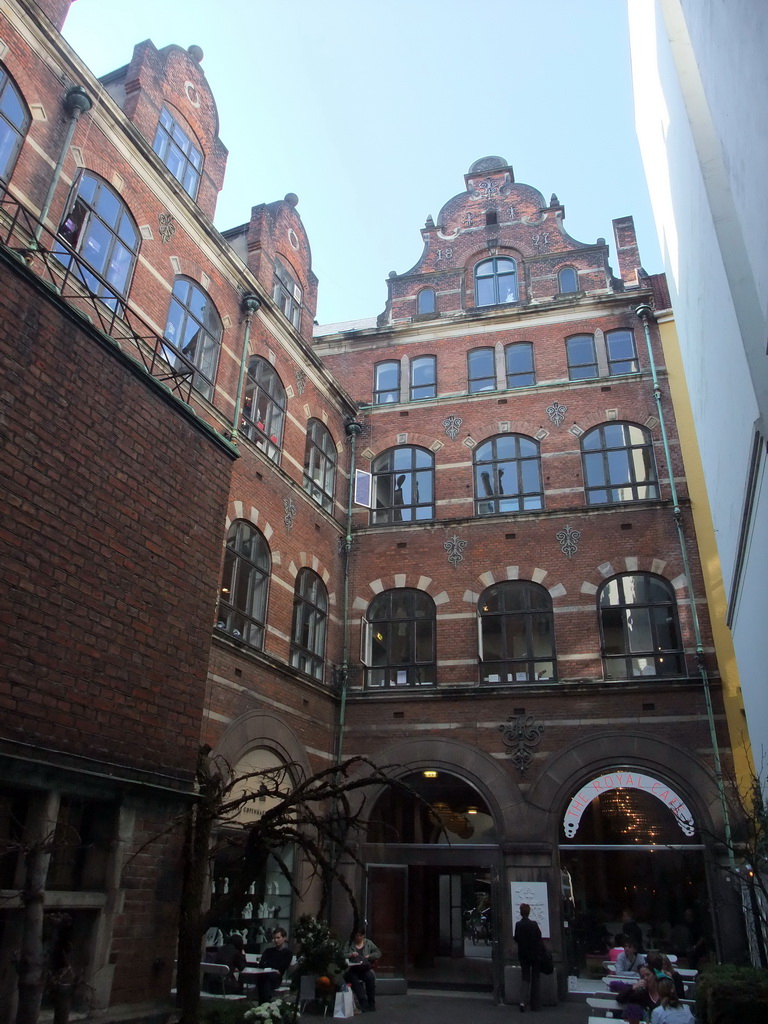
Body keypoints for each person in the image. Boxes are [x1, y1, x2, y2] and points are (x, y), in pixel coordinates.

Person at [514, 903, 543, 1013]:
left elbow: (516, 938)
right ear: (529, 912)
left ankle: (523, 1001)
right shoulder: (534, 924)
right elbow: (539, 937)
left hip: (523, 954)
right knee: (535, 978)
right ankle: (535, 1004)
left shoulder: (518, 925)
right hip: (535, 954)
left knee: (525, 977)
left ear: (521, 912)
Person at [344, 928, 381, 1013]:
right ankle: (363, 1002)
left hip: (364, 968)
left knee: (370, 978)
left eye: (360, 935)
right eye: (356, 935)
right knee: (354, 980)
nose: (358, 938)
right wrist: (351, 955)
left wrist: (369, 956)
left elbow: (378, 953)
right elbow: (343, 954)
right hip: (352, 968)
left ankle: (371, 1003)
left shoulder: (368, 943)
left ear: (363, 936)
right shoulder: (349, 943)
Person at [256, 927, 293, 1003]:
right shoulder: (269, 951)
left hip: (276, 978)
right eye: (274, 938)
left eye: (278, 938)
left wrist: (268, 965)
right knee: (262, 979)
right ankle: (264, 1004)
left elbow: (282, 967)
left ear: (284, 938)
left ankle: (265, 1003)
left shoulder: (287, 953)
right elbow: (261, 964)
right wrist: (271, 967)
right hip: (265, 975)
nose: (276, 940)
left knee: (265, 981)